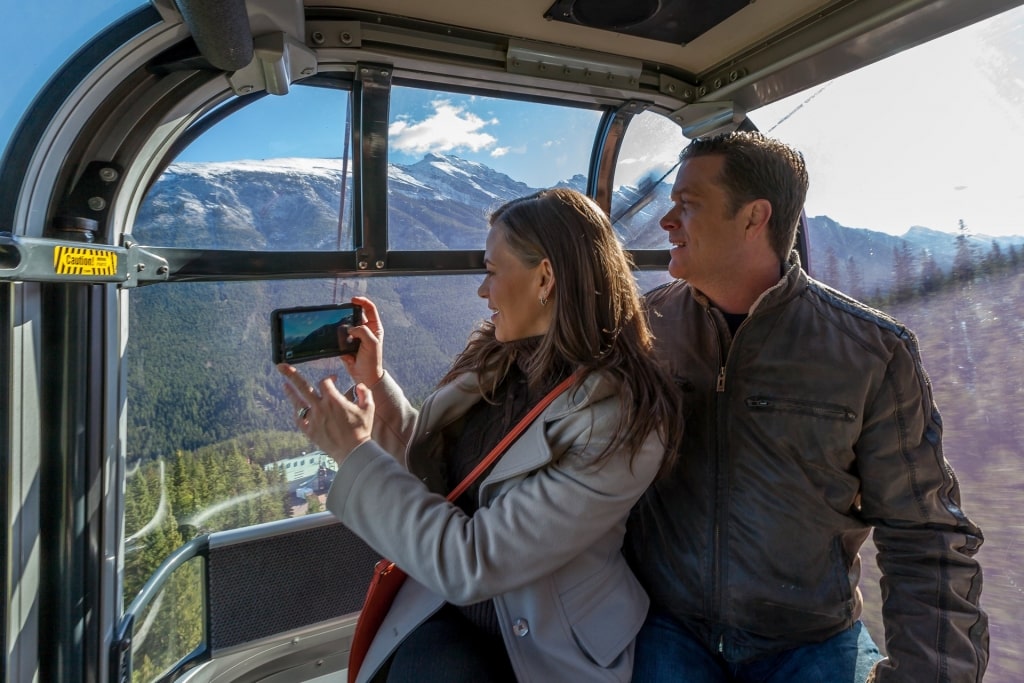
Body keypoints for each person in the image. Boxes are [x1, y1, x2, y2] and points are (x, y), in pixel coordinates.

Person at [625, 131, 988, 683]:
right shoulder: (643, 331)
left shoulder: (871, 352)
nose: (667, 221)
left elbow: (923, 534)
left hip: (810, 640)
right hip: (668, 626)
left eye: (687, 205)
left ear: (754, 218)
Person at [278, 187, 683, 682]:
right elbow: (446, 478)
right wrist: (376, 385)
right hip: (450, 611)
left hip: (547, 639)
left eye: (492, 270)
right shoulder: (496, 359)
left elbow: (474, 560)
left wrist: (353, 450)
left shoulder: (622, 419)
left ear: (546, 278)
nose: (482, 291)